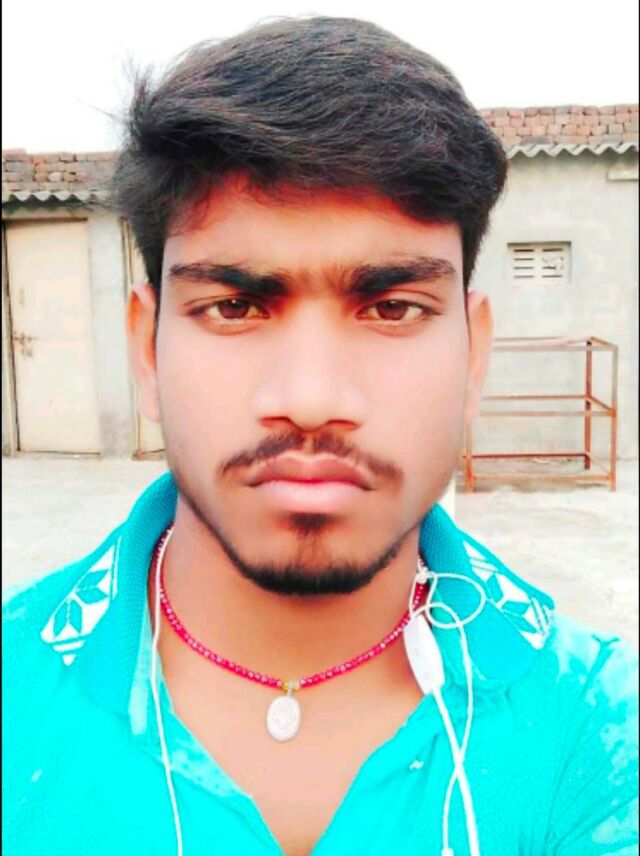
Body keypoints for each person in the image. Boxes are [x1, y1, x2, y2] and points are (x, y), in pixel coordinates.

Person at [3, 16, 638, 856]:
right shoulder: (16, 690)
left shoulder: (597, 727)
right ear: (146, 351)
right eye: (234, 307)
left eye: (392, 308)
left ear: (473, 355)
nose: (310, 400)